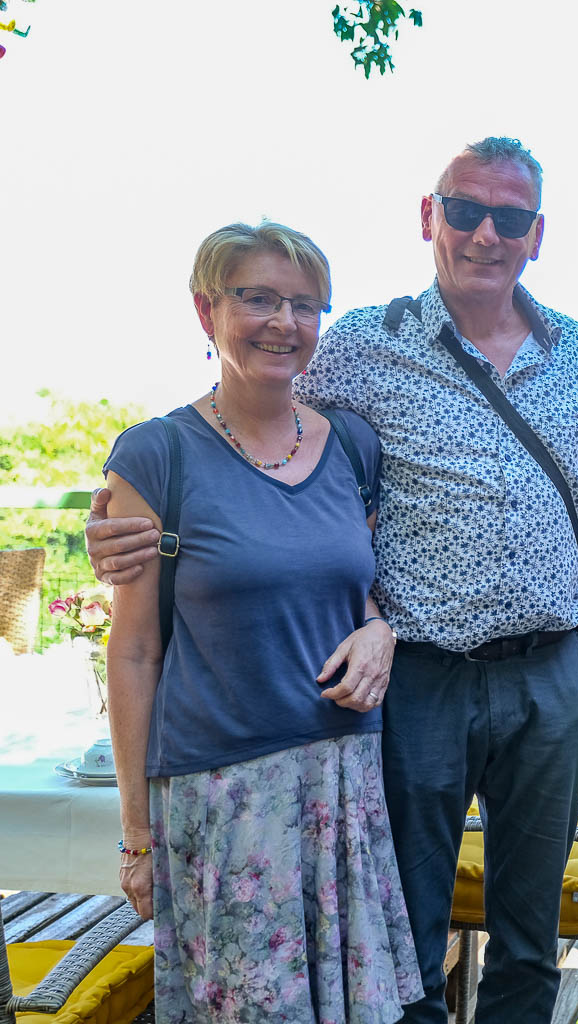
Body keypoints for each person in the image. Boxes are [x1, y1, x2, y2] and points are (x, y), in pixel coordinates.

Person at [87, 137, 578, 1024]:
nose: (485, 234)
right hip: (415, 682)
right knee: (405, 942)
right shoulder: (359, 343)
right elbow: (251, 423)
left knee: (529, 942)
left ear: (537, 234)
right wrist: (126, 511)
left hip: (552, 678)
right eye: (465, 210)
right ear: (430, 217)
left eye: (509, 217)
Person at [102, 221, 423, 1021]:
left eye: (305, 305)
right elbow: (134, 651)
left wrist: (381, 629)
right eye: (258, 298)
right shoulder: (156, 455)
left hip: (343, 784)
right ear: (206, 311)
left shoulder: (353, 447)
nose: (284, 322)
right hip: (225, 797)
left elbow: (358, 585)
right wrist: (136, 834)